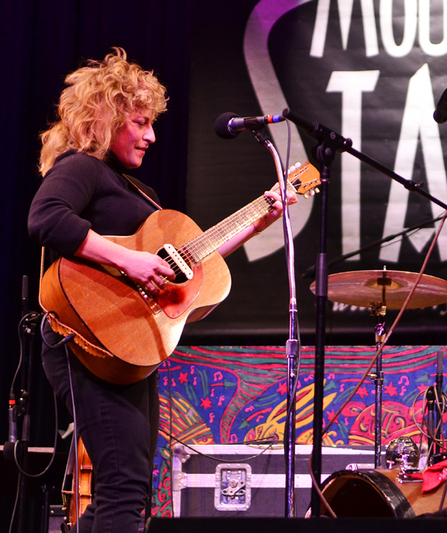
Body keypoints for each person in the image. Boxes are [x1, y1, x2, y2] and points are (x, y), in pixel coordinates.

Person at [28, 48, 287, 533]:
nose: (151, 136)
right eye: (140, 122)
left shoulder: (136, 192)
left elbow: (190, 263)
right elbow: (46, 218)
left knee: (126, 487)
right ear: (105, 118)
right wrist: (129, 259)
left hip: (126, 345)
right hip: (84, 338)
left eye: (152, 124)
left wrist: (261, 218)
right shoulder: (82, 167)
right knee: (124, 486)